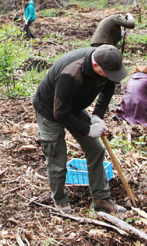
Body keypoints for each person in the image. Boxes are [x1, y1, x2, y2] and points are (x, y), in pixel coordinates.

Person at [33, 44, 129, 214]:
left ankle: (101, 199)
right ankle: (60, 200)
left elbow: (108, 88)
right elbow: (60, 114)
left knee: (96, 149)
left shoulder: (106, 64)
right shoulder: (71, 74)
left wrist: (97, 115)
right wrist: (87, 129)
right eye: (108, 74)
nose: (111, 77)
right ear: (95, 65)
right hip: (50, 110)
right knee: (57, 156)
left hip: (73, 105)